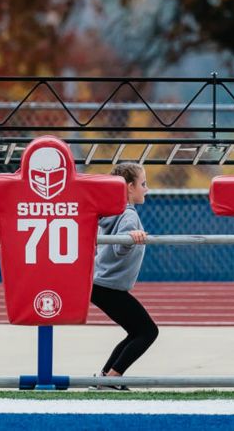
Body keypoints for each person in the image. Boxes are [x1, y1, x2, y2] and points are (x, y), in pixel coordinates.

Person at [90, 162, 159, 390]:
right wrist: (132, 237)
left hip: (102, 284)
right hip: (107, 285)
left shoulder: (113, 211)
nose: (146, 189)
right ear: (130, 187)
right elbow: (120, 247)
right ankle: (112, 379)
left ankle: (106, 377)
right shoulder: (128, 214)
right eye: (143, 184)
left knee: (137, 331)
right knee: (148, 331)